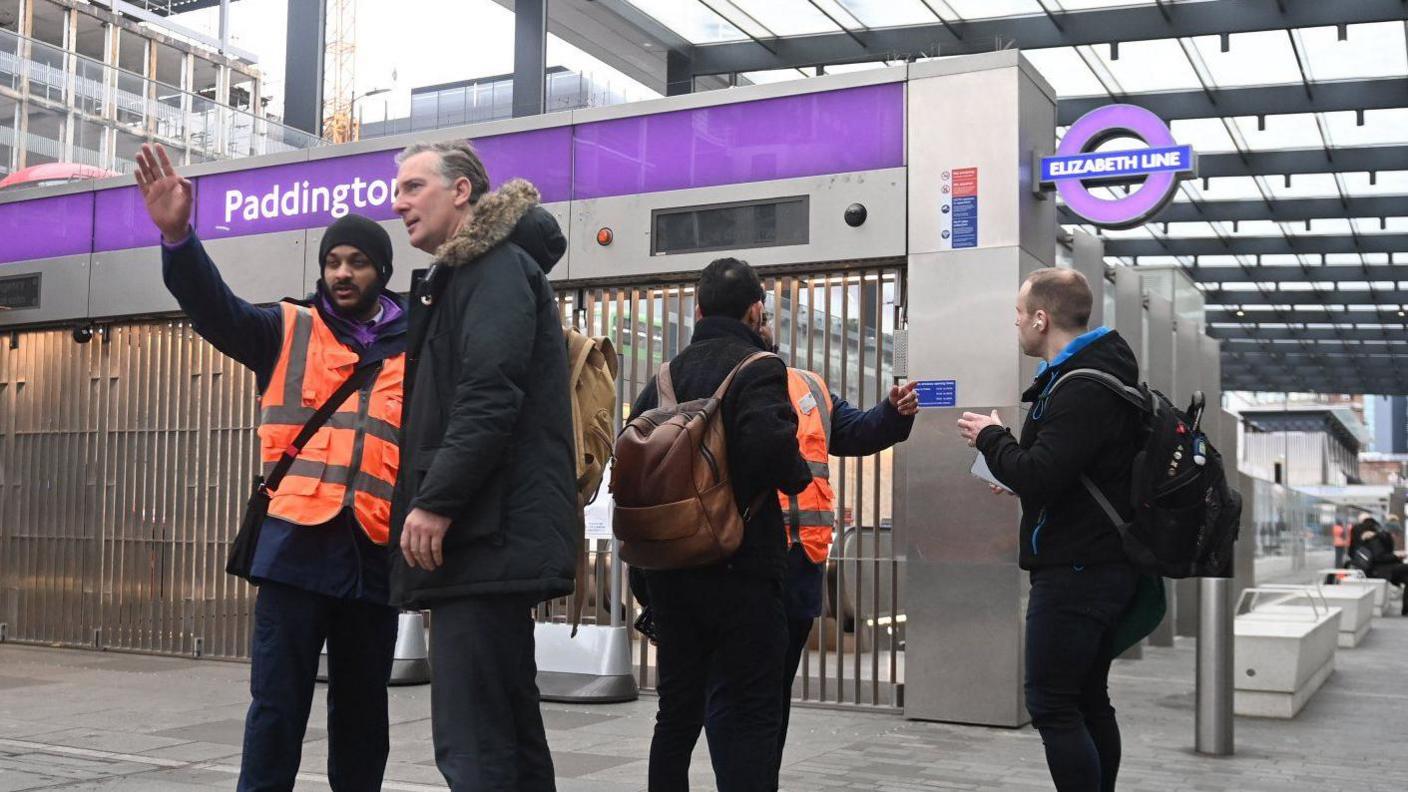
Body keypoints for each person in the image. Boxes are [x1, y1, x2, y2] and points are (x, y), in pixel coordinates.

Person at [135, 143, 406, 792]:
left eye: (357, 261)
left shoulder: (417, 348)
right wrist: (178, 238)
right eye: (333, 261)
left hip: (372, 555)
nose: (342, 272)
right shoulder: (287, 328)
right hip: (294, 551)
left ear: (383, 271)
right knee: (278, 709)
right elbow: (214, 309)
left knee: (364, 716)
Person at [389, 140, 576, 791]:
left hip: (481, 540)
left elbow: (489, 394)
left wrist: (436, 501)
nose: (399, 201)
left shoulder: (490, 270)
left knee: (474, 744)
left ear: (462, 191)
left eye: (414, 186)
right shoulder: (472, 274)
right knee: (509, 737)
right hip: (487, 540)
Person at [629, 257, 812, 792]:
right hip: (741, 570)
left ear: (699, 309)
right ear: (757, 309)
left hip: (670, 571)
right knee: (751, 711)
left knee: (677, 712)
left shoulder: (664, 378)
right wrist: (796, 474)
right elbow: (768, 448)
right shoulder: (758, 367)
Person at [957, 268, 1140, 792]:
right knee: (1085, 699)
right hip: (1098, 562)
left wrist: (992, 438)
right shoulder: (1096, 376)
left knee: (1052, 702)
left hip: (1077, 571)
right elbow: (1064, 475)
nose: (1015, 322)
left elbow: (1041, 470)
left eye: (1019, 312)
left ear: (1041, 317)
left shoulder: (1080, 386)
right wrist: (1018, 478)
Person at [753, 314, 919, 790]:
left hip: (801, 561)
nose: (763, 323)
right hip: (741, 561)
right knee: (741, 690)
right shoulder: (723, 382)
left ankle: (763, 777)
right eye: (757, 315)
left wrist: (893, 412)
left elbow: (860, 431)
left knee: (775, 690)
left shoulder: (809, 387)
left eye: (767, 318)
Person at [1350, 519, 1408, 615]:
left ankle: (1406, 610)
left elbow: (1383, 556)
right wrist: (1396, 555)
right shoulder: (1378, 540)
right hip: (1377, 570)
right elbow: (1379, 558)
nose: (1396, 536)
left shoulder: (1383, 538)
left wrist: (1397, 556)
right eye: (1396, 533)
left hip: (1384, 568)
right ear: (1390, 531)